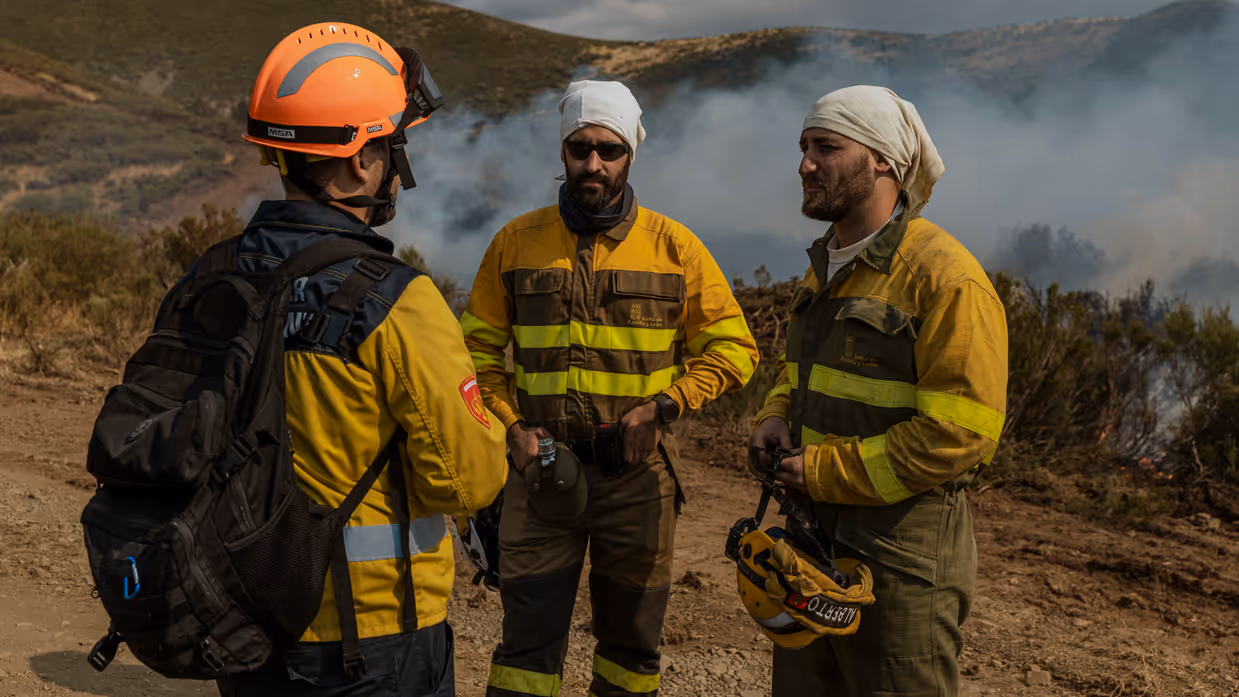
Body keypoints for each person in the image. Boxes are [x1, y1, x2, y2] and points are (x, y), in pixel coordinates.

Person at [211, 22, 507, 696]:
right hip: (367, 639)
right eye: (391, 144)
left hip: (240, 620)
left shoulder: (211, 280)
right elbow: (466, 482)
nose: (397, 165)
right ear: (359, 161)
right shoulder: (396, 301)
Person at [462, 80, 760, 697]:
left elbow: (735, 348)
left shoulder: (675, 248)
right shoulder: (515, 243)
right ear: (563, 152)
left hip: (637, 482)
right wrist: (509, 429)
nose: (593, 163)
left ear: (630, 154)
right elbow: (475, 354)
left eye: (609, 149)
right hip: (539, 477)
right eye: (580, 147)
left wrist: (667, 405)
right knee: (525, 645)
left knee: (630, 647)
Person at [749, 85, 1009, 696]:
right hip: (812, 541)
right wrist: (775, 414)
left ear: (884, 162)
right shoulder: (829, 264)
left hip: (902, 560)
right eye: (804, 146)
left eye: (826, 148)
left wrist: (824, 471)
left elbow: (961, 434)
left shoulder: (947, 280)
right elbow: (804, 372)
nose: (805, 164)